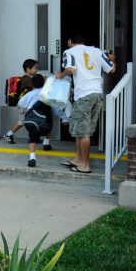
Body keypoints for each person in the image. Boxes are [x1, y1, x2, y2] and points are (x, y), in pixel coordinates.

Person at [55, 34, 116, 174]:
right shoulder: (97, 51)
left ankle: (85, 165)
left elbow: (70, 69)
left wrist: (60, 75)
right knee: (79, 128)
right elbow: (112, 69)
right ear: (84, 41)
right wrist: (115, 59)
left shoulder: (69, 52)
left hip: (83, 95)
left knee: (83, 132)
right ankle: (78, 159)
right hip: (97, 94)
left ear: (70, 41)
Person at [3, 59, 52, 151]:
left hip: (26, 105)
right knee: (23, 122)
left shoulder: (28, 78)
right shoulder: (27, 79)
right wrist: (44, 80)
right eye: (35, 68)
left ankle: (13, 135)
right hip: (25, 106)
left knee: (25, 121)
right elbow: (38, 85)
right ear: (28, 69)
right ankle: (8, 134)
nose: (37, 70)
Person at [18, 74, 53, 168]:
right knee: (49, 116)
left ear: (32, 85)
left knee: (32, 138)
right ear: (44, 83)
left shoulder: (29, 94)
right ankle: (46, 143)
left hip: (32, 122)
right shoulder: (48, 94)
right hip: (46, 125)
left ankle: (32, 158)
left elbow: (20, 103)